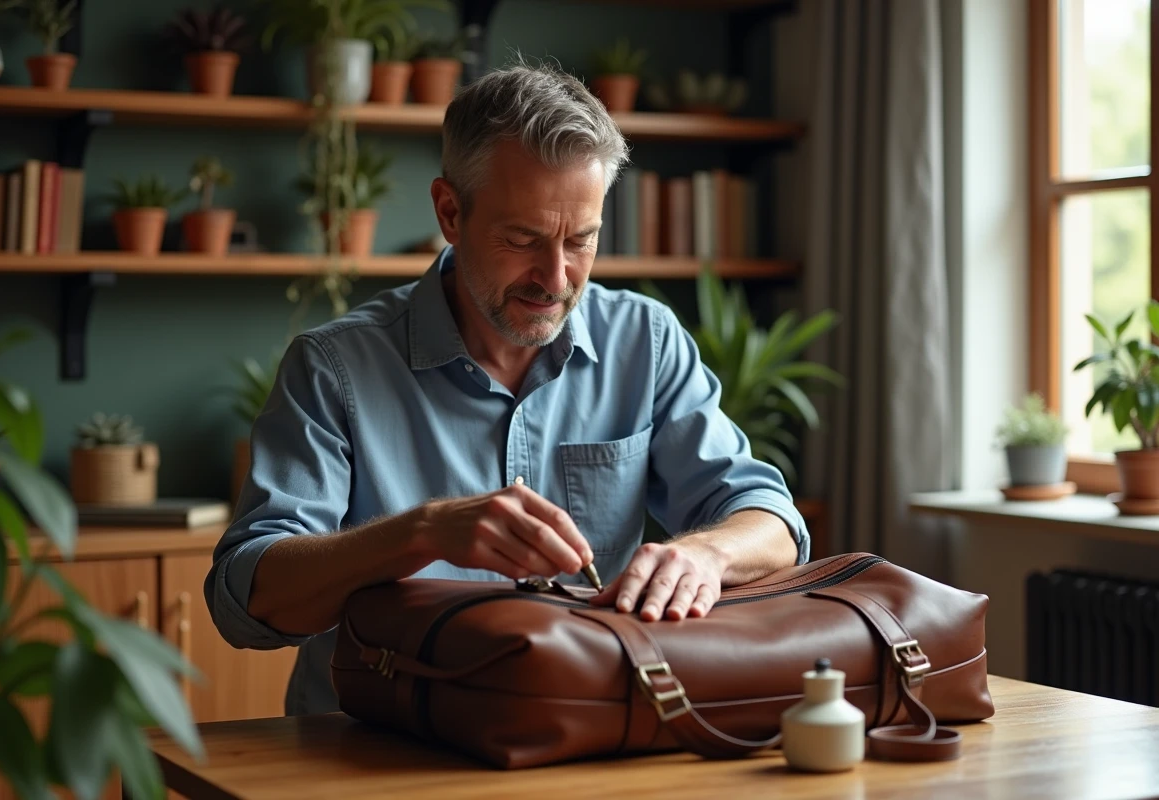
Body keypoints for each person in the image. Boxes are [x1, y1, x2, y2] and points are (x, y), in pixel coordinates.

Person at [206, 63, 809, 716]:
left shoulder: (647, 341)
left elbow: (772, 522)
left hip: (586, 738)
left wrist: (705, 556)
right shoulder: (332, 368)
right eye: (523, 239)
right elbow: (247, 598)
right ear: (450, 212)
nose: (555, 278)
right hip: (372, 751)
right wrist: (425, 533)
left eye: (581, 241)